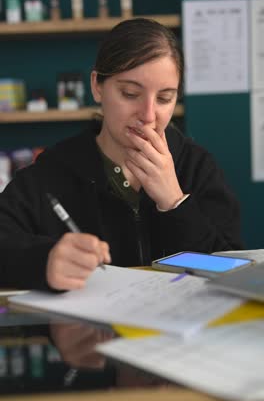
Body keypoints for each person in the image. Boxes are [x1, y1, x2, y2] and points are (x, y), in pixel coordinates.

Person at [0, 18, 243, 291]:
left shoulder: (198, 167)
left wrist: (175, 202)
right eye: (130, 93)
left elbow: (231, 272)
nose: (149, 115)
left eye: (164, 98)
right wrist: (43, 260)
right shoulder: (51, 174)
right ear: (97, 86)